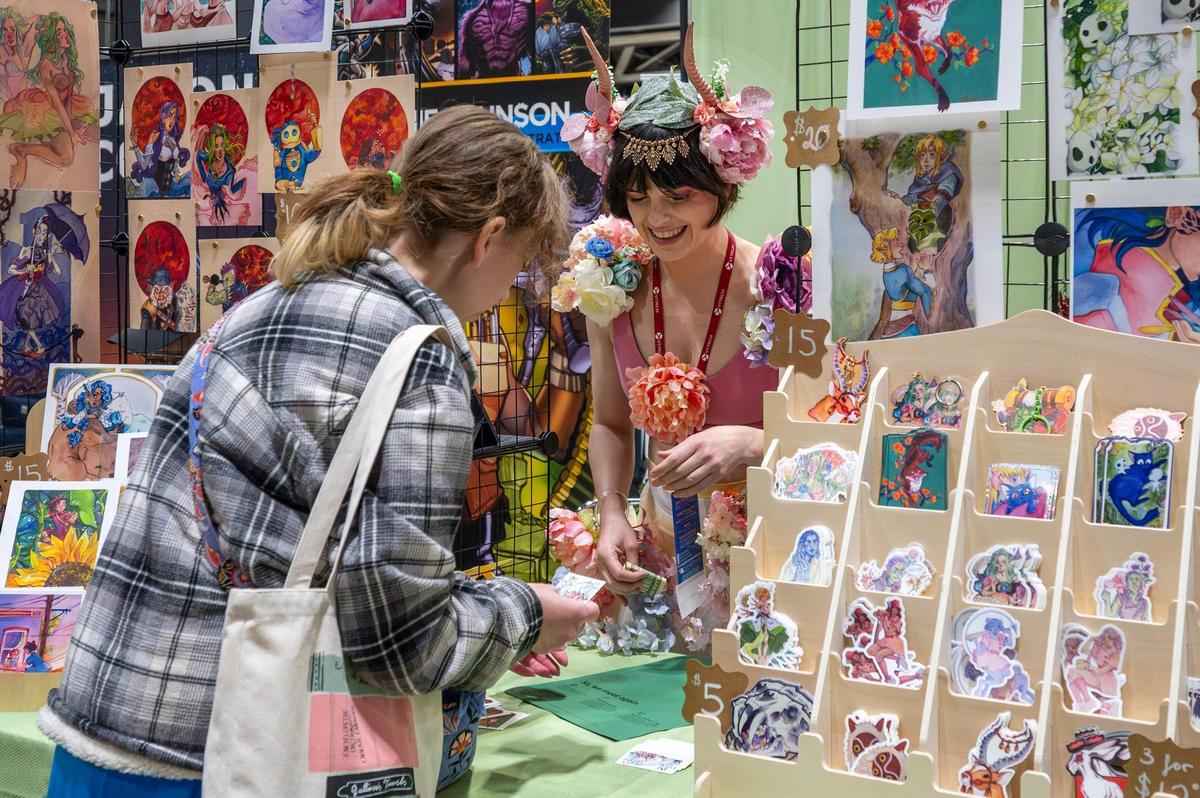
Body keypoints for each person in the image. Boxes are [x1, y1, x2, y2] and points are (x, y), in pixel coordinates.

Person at [40, 105, 597, 796]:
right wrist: (528, 616)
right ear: (487, 239)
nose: (507, 289)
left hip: (104, 717)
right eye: (520, 261)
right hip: (229, 749)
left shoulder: (267, 301)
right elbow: (401, 645)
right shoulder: (416, 355)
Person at [567, 28, 777, 639]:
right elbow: (608, 422)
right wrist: (611, 513)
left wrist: (758, 445)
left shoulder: (781, 285)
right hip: (664, 554)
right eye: (637, 197)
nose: (657, 218)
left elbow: (843, 427)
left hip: (776, 550)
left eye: (678, 195)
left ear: (723, 184)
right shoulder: (609, 287)